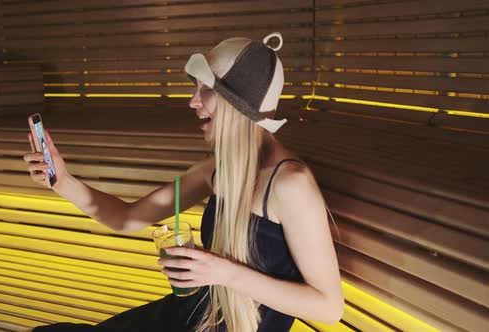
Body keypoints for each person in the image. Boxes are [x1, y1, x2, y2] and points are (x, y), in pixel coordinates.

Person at [23, 32, 344, 332]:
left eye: (206, 89)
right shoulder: (217, 169)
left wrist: (225, 273)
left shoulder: (290, 185)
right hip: (190, 315)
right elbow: (125, 218)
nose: (192, 100)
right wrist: (62, 181)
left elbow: (329, 308)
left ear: (238, 105)